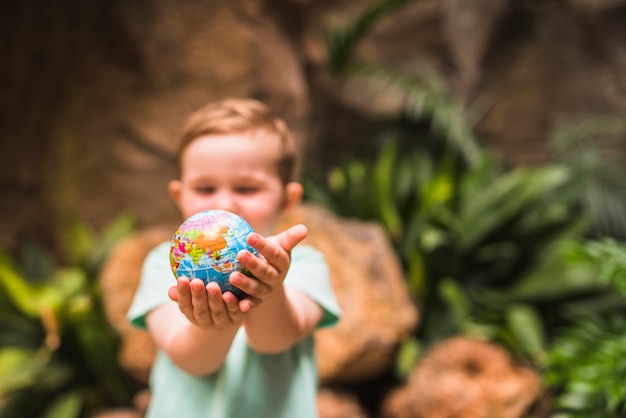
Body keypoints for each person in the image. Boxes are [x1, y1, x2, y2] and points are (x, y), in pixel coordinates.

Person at [127, 98, 341, 418]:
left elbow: (275, 341)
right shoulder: (164, 265)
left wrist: (269, 290)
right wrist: (214, 324)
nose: (225, 203)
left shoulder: (305, 265)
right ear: (179, 195)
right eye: (205, 188)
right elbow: (192, 361)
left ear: (288, 198)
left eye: (246, 188)